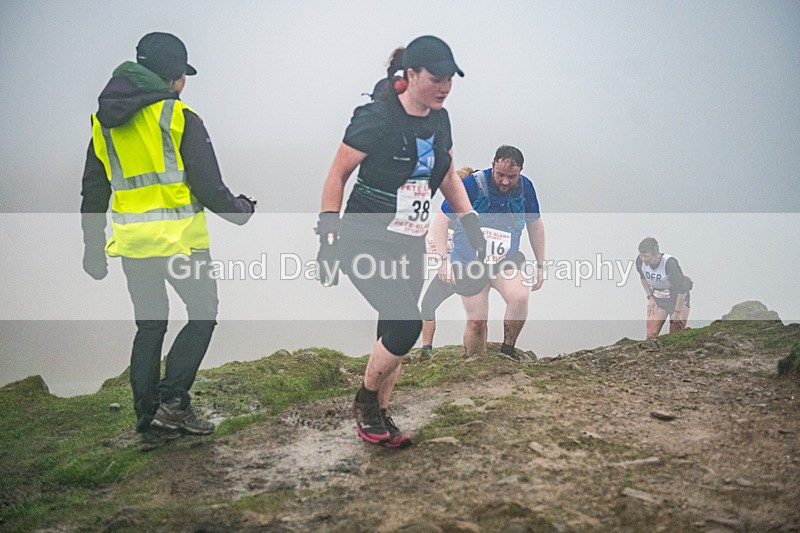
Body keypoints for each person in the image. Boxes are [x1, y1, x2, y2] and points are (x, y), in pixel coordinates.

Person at [80, 32, 256, 451]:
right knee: (202, 315)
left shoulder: (104, 124)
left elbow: (94, 191)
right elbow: (210, 188)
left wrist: (92, 248)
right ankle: (173, 402)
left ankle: (147, 419)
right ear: (175, 76)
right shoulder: (180, 118)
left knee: (150, 325)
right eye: (183, 75)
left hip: (133, 244)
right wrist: (242, 210)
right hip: (181, 242)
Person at [317, 36, 486, 448]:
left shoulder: (440, 119)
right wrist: (327, 236)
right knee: (407, 324)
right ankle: (365, 401)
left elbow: (445, 174)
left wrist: (470, 222)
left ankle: (380, 416)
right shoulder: (375, 118)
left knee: (392, 329)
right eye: (436, 78)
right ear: (411, 75)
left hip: (409, 239)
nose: (445, 86)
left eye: (450, 78)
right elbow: (337, 175)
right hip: (364, 238)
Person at [428, 145, 545, 357]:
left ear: (520, 172)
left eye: (512, 176)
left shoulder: (525, 188)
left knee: (519, 296)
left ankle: (507, 350)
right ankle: (474, 363)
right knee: (476, 323)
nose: (506, 181)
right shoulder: (472, 185)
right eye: (500, 175)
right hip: (468, 263)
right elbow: (440, 222)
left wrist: (540, 264)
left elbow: (535, 225)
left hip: (505, 261)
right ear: (492, 166)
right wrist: (443, 261)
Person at [420, 165, 473, 355]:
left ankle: (429, 349)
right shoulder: (447, 215)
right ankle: (427, 350)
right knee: (428, 304)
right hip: (451, 271)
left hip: (465, 269)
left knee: (475, 312)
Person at [636, 237, 692, 339]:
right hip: (659, 298)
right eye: (641, 255)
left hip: (677, 298)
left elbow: (682, 288)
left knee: (675, 336)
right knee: (651, 335)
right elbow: (643, 277)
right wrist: (650, 297)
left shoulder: (670, 263)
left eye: (647, 256)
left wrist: (677, 312)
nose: (643, 259)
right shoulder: (640, 262)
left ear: (656, 253)